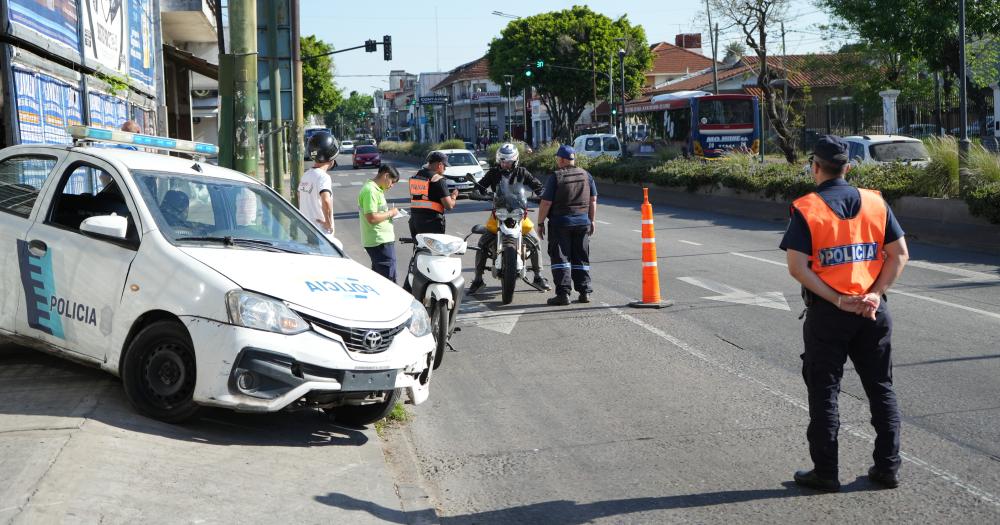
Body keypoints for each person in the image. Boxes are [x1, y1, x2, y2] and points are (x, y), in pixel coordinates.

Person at [780, 135, 909, 493]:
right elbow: (899, 254)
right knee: (881, 387)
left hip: (829, 315)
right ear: (848, 167)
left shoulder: (808, 208)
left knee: (825, 391)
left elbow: (797, 267)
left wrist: (837, 301)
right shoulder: (875, 202)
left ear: (815, 166)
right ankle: (888, 468)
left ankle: (826, 472)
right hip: (873, 312)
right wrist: (873, 294)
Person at [468, 143, 550, 294]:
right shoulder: (493, 173)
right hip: (499, 213)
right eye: (503, 161)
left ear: (515, 160)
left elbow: (537, 185)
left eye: (508, 161)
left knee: (535, 241)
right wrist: (477, 192)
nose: (505, 164)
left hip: (519, 213)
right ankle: (478, 279)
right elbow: (480, 186)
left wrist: (542, 193)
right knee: (482, 243)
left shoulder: (522, 172)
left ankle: (538, 276)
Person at [536, 145, 598, 306]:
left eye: (558, 158)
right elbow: (593, 200)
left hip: (560, 223)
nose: (557, 161)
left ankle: (563, 294)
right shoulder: (586, 175)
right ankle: (584, 292)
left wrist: (540, 223)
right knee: (581, 257)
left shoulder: (556, 177)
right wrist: (592, 220)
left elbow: (546, 202)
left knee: (561, 258)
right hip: (582, 223)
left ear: (562, 159)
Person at [359, 165, 401, 282]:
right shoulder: (370, 191)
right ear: (386, 175)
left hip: (380, 241)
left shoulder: (377, 189)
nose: (391, 186)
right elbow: (371, 218)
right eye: (392, 182)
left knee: (380, 280)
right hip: (379, 242)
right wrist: (391, 213)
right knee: (389, 281)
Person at [408, 151, 458, 237]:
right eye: (445, 166)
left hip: (415, 222)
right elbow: (449, 206)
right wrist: (453, 196)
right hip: (432, 224)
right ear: (440, 165)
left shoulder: (416, 175)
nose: (445, 169)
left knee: (420, 248)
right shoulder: (438, 180)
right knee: (433, 250)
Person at [298, 131, 338, 237]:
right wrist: (328, 224)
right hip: (321, 234)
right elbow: (325, 200)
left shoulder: (306, 175)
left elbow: (299, 196)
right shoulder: (323, 177)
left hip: (307, 230)